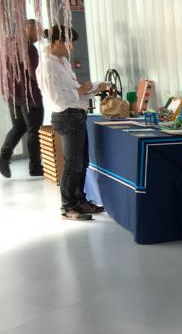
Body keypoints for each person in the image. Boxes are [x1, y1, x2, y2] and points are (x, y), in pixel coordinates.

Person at [38, 25, 106, 221]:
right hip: (66, 116)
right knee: (73, 164)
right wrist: (81, 90)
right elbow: (57, 99)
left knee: (82, 163)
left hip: (77, 114)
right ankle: (67, 207)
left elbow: (75, 90)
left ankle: (79, 201)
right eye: (71, 43)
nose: (72, 48)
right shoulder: (47, 66)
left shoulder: (62, 62)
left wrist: (92, 88)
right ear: (60, 42)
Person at [0, 19, 45, 179]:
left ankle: (4, 156)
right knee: (34, 130)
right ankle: (35, 167)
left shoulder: (7, 43)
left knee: (18, 126)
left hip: (12, 95)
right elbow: (34, 74)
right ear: (29, 29)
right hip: (29, 96)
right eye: (38, 31)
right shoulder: (29, 48)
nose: (40, 35)